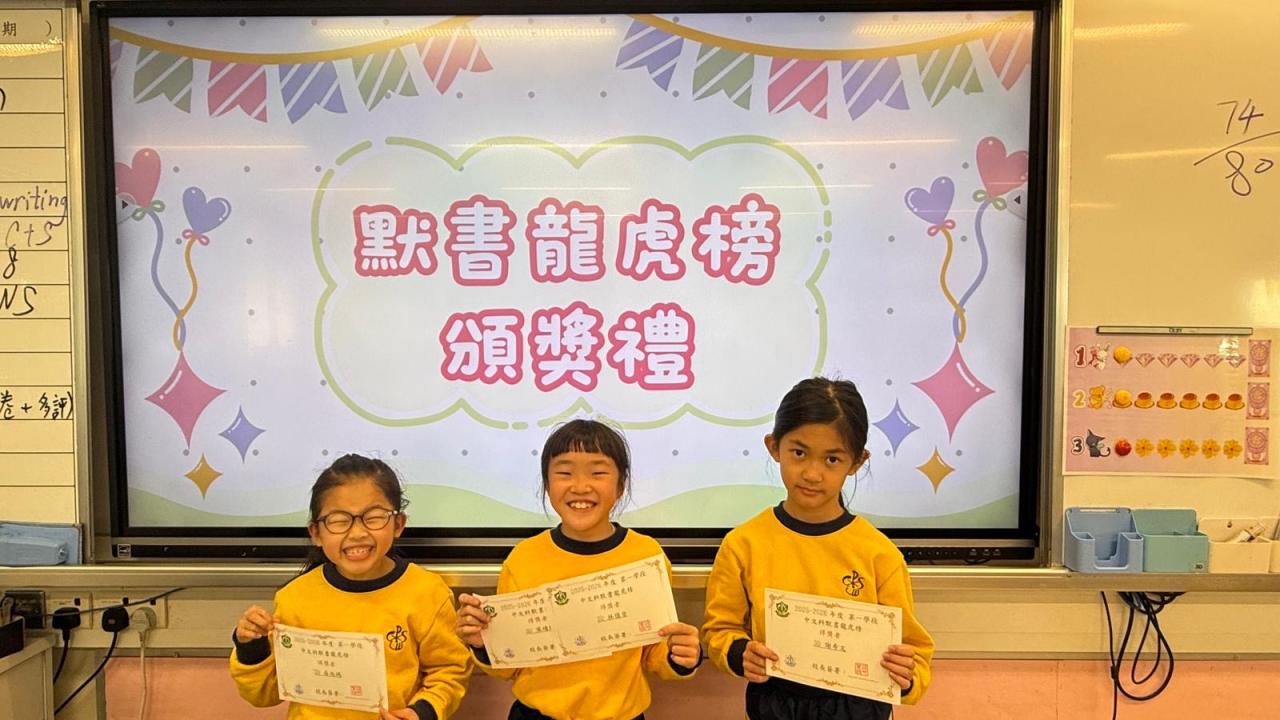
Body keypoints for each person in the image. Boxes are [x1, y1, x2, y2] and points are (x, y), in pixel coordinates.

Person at [703, 377, 934, 720]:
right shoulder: (744, 544)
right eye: (799, 453)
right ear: (773, 447)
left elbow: (915, 653)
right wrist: (740, 653)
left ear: (857, 462)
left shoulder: (879, 553)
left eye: (832, 459)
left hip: (859, 706)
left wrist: (907, 675)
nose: (812, 474)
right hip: (776, 702)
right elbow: (719, 631)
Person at [455, 419, 701, 720]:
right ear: (547, 484)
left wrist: (680, 655)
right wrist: (484, 644)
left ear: (621, 485)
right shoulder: (524, 558)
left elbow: (654, 653)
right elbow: (509, 667)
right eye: (564, 473)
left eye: (598, 473)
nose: (581, 487)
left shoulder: (646, 556)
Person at [230, 454, 471, 719]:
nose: (357, 533)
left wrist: (422, 711)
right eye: (338, 520)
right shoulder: (295, 597)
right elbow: (264, 694)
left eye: (374, 517)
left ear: (398, 524)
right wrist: (251, 647)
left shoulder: (426, 592)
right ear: (316, 533)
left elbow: (449, 671)